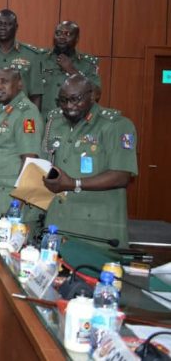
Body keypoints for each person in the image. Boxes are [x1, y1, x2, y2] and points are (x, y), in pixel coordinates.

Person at [42, 75, 137, 247]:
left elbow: (121, 175)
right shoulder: (54, 123)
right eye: (63, 100)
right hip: (58, 222)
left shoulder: (116, 125)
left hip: (96, 229)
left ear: (92, 96)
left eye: (75, 99)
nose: (69, 106)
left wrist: (74, 183)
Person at [0, 68, 42, 254]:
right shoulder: (1, 111)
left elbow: (31, 161)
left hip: (8, 204)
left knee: (6, 267)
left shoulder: (26, 112)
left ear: (19, 84)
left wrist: (15, 208)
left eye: (4, 81)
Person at [0, 9, 43, 110]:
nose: (2, 28)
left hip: (18, 118)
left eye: (8, 24)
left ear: (16, 27)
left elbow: (36, 95)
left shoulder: (31, 55)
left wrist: (33, 121)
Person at [40, 21, 101, 116]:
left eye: (67, 34)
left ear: (77, 38)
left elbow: (95, 94)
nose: (61, 37)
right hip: (43, 121)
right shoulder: (40, 58)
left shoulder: (87, 63)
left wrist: (72, 70)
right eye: (58, 33)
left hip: (72, 122)